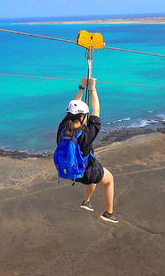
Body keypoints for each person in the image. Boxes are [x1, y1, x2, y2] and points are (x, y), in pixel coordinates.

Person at [56, 77, 119, 223]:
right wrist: (92, 87)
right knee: (109, 180)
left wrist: (81, 87)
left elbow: (72, 108)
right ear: (84, 117)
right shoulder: (86, 134)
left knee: (93, 178)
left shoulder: (63, 128)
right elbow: (96, 110)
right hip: (85, 171)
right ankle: (108, 213)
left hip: (70, 171)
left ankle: (86, 201)